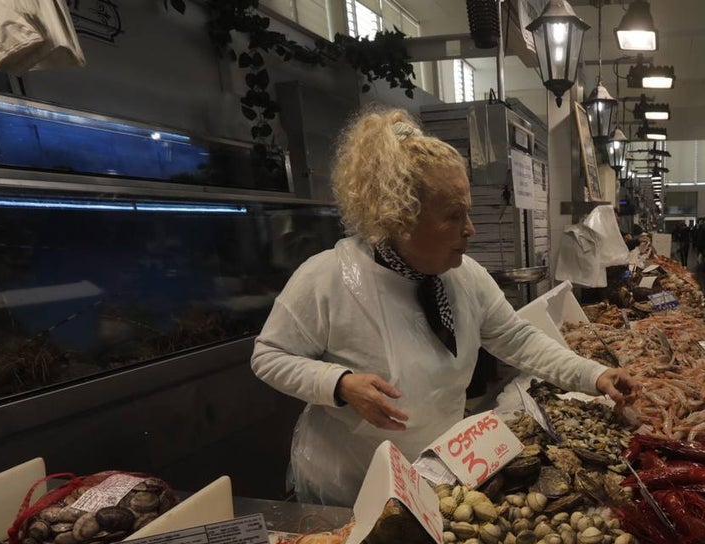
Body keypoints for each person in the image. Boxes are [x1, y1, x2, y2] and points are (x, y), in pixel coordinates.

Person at [252, 108, 636, 506]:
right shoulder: (327, 277)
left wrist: (593, 375)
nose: (470, 228)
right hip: (346, 487)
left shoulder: (464, 276)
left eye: (468, 211)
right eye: (454, 216)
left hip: (435, 475)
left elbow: (517, 338)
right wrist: (340, 384)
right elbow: (269, 356)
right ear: (400, 217)